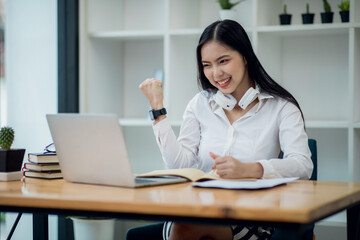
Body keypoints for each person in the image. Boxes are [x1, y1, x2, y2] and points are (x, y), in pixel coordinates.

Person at [133, 20, 313, 240]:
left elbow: (303, 165)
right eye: (207, 65)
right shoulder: (200, 104)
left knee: (185, 227)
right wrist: (157, 110)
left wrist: (251, 169)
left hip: (252, 216)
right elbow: (178, 164)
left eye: (223, 61)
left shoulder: (281, 107)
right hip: (200, 209)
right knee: (184, 224)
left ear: (245, 57)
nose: (216, 73)